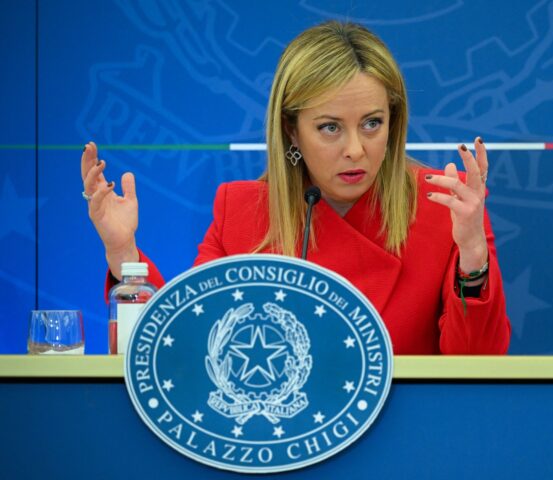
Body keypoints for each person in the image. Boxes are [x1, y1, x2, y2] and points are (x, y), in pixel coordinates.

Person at [80, 21, 510, 355]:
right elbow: (186, 345)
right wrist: (124, 254)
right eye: (329, 128)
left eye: (372, 123)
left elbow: (478, 366)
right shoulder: (242, 211)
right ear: (292, 131)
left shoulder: (444, 208)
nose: (356, 150)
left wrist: (473, 256)